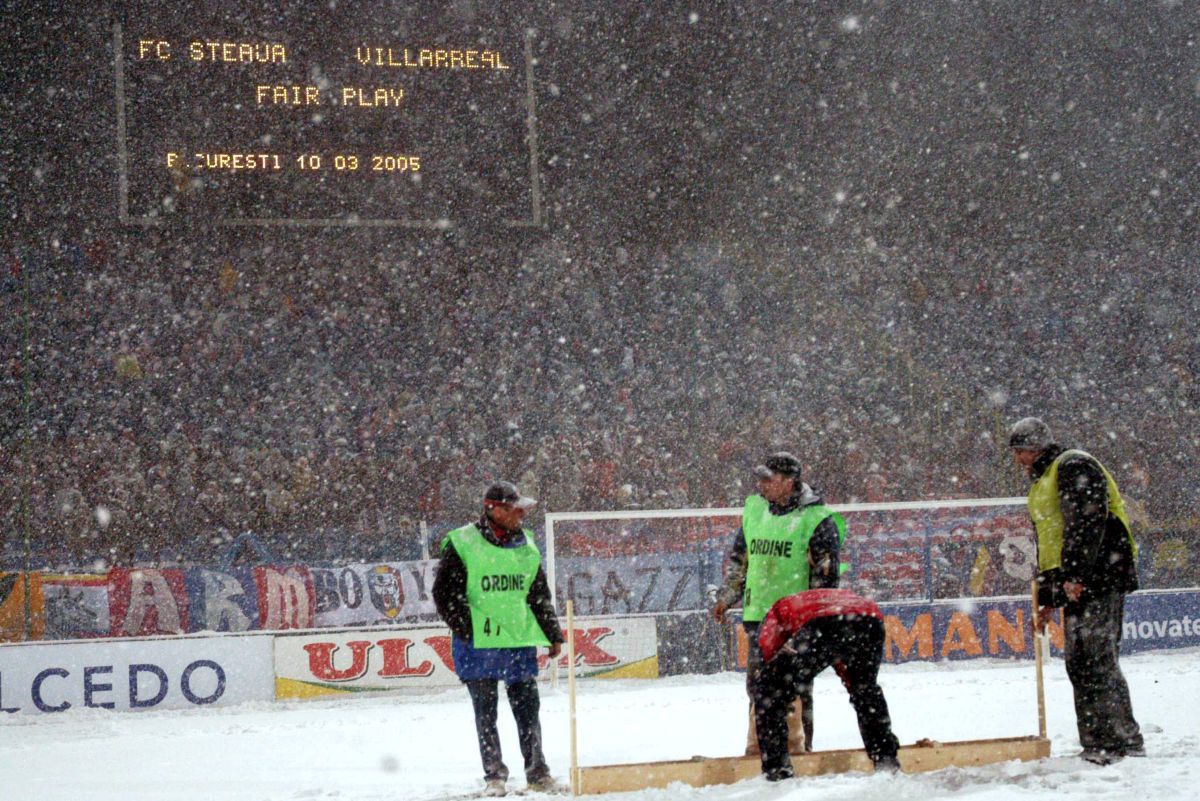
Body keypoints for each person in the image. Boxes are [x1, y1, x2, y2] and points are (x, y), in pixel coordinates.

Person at [1007, 417, 1144, 765]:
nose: (1018, 460)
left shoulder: (1074, 465)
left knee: (1097, 657)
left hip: (1101, 574)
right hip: (1076, 580)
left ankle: (1121, 740)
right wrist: (1049, 597)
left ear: (1034, 448)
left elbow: (1087, 522)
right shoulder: (1044, 480)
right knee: (1080, 661)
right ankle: (1097, 740)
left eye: (1020, 452)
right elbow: (1050, 541)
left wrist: (1078, 575)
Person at [432, 481, 566, 796]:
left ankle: (538, 772)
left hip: (517, 641)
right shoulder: (462, 542)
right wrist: (468, 628)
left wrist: (552, 633)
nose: (521, 514)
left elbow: (538, 594)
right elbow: (444, 594)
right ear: (493, 509)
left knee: (528, 711)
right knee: (485, 713)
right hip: (477, 646)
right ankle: (495, 776)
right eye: (514, 508)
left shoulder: (527, 545)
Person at [711, 451, 847, 755]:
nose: (761, 484)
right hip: (758, 615)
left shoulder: (816, 520)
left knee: (795, 686)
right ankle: (760, 749)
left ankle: (797, 750)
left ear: (789, 482)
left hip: (795, 621)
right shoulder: (756, 512)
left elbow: (826, 577)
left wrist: (814, 622)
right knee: (758, 686)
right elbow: (739, 560)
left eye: (768, 478)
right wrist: (728, 596)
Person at [753, 588, 901, 780]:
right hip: (870, 618)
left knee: (768, 691)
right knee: (865, 690)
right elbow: (842, 658)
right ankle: (886, 758)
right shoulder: (804, 602)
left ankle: (777, 770)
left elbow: (768, 655)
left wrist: (770, 683)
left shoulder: (776, 613)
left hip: (823, 622)